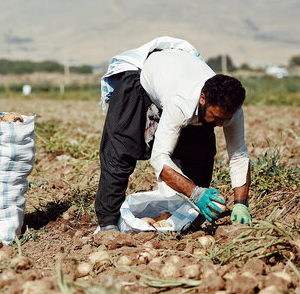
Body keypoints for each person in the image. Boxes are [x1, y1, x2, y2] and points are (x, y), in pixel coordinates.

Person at [95, 36, 252, 231]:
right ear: (202, 99)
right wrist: (195, 193)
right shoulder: (180, 102)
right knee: (120, 151)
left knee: (201, 152)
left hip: (181, 84)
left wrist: (240, 203)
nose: (220, 124)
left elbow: (239, 155)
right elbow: (159, 158)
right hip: (141, 85)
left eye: (225, 119)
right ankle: (108, 222)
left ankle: (187, 217)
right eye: (216, 116)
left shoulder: (231, 111)